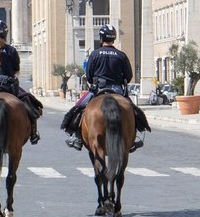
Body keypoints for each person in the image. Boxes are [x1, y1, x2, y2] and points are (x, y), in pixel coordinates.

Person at [62, 24, 150, 152]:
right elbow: (129, 76)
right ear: (113, 39)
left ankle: (78, 137)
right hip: (118, 90)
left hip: (99, 89)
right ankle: (134, 137)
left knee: (78, 107)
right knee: (134, 111)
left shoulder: (95, 54)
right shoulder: (121, 55)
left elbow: (89, 75)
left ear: (101, 38)